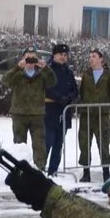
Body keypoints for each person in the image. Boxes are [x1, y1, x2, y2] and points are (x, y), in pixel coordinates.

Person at [77, 49, 110, 184]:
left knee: (103, 145)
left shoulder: (109, 76)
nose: (91, 59)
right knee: (84, 145)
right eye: (90, 56)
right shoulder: (86, 75)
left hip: (101, 117)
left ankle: (106, 174)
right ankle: (86, 174)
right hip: (86, 116)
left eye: (94, 56)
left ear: (101, 59)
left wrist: (109, 107)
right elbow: (81, 93)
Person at [3, 51, 50, 166]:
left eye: (33, 58)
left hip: (37, 114)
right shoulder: (17, 73)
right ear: (23, 59)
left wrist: (45, 67)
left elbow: (52, 81)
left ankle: (40, 169)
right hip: (19, 114)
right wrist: (17, 67)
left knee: (39, 145)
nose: (30, 60)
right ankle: (20, 169)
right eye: (27, 58)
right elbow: (5, 80)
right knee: (19, 145)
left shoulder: (41, 74)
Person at [45, 43, 79, 177]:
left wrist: (69, 97)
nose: (63, 57)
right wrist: (59, 98)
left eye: (65, 55)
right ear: (54, 55)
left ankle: (53, 171)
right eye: (60, 55)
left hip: (64, 112)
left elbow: (75, 90)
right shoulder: (48, 70)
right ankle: (41, 170)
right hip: (50, 111)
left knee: (58, 145)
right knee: (48, 143)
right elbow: (46, 88)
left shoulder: (68, 72)